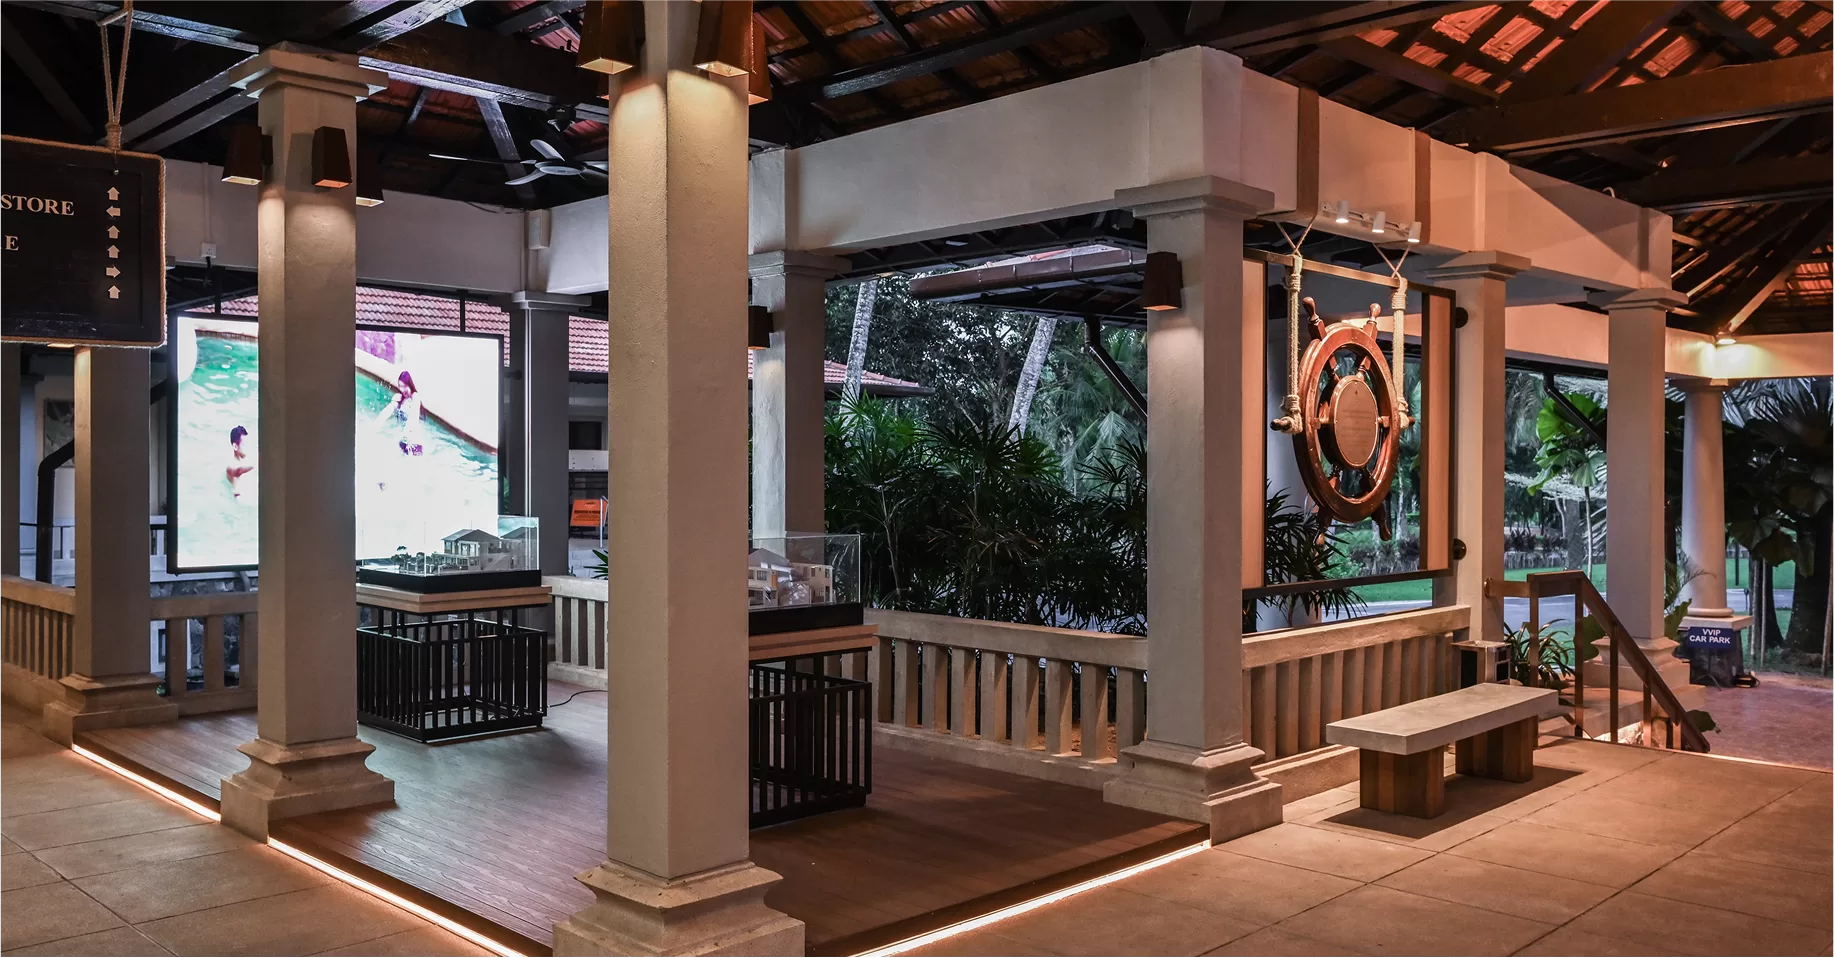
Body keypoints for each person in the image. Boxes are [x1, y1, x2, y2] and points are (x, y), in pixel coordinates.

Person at [375, 369, 425, 456]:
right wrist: (376, 424)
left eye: (404, 386)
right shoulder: (399, 398)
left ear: (410, 385)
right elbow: (387, 411)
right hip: (403, 439)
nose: (402, 389)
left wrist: (405, 437)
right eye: (400, 386)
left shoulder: (415, 398)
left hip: (413, 441)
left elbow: (413, 418)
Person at [225, 425, 255, 499]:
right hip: (238, 499)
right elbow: (239, 470)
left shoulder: (245, 461)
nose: (249, 448)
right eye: (244, 445)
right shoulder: (231, 466)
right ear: (235, 446)